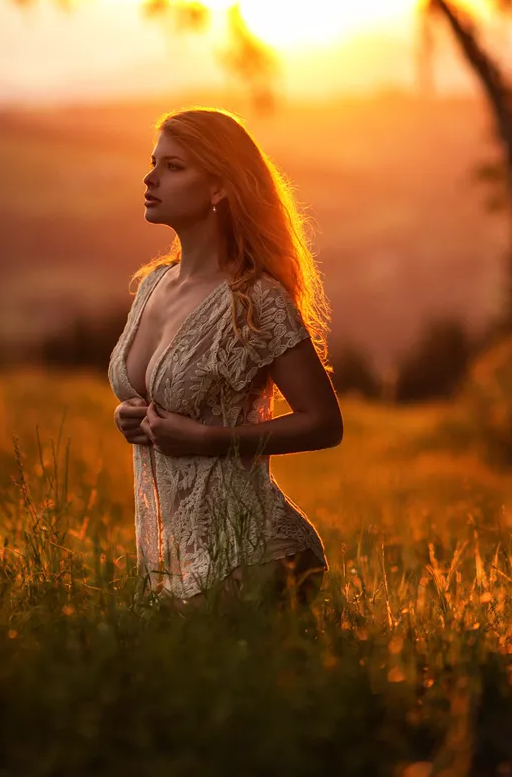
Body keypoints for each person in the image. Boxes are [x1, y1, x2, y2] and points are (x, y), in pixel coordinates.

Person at [106, 106, 343, 613]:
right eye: (153, 163)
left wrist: (213, 440)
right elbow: (156, 396)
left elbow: (325, 424)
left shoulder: (255, 298)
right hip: (178, 565)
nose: (150, 178)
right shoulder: (152, 286)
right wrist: (130, 415)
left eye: (174, 167)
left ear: (218, 188)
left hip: (256, 556)